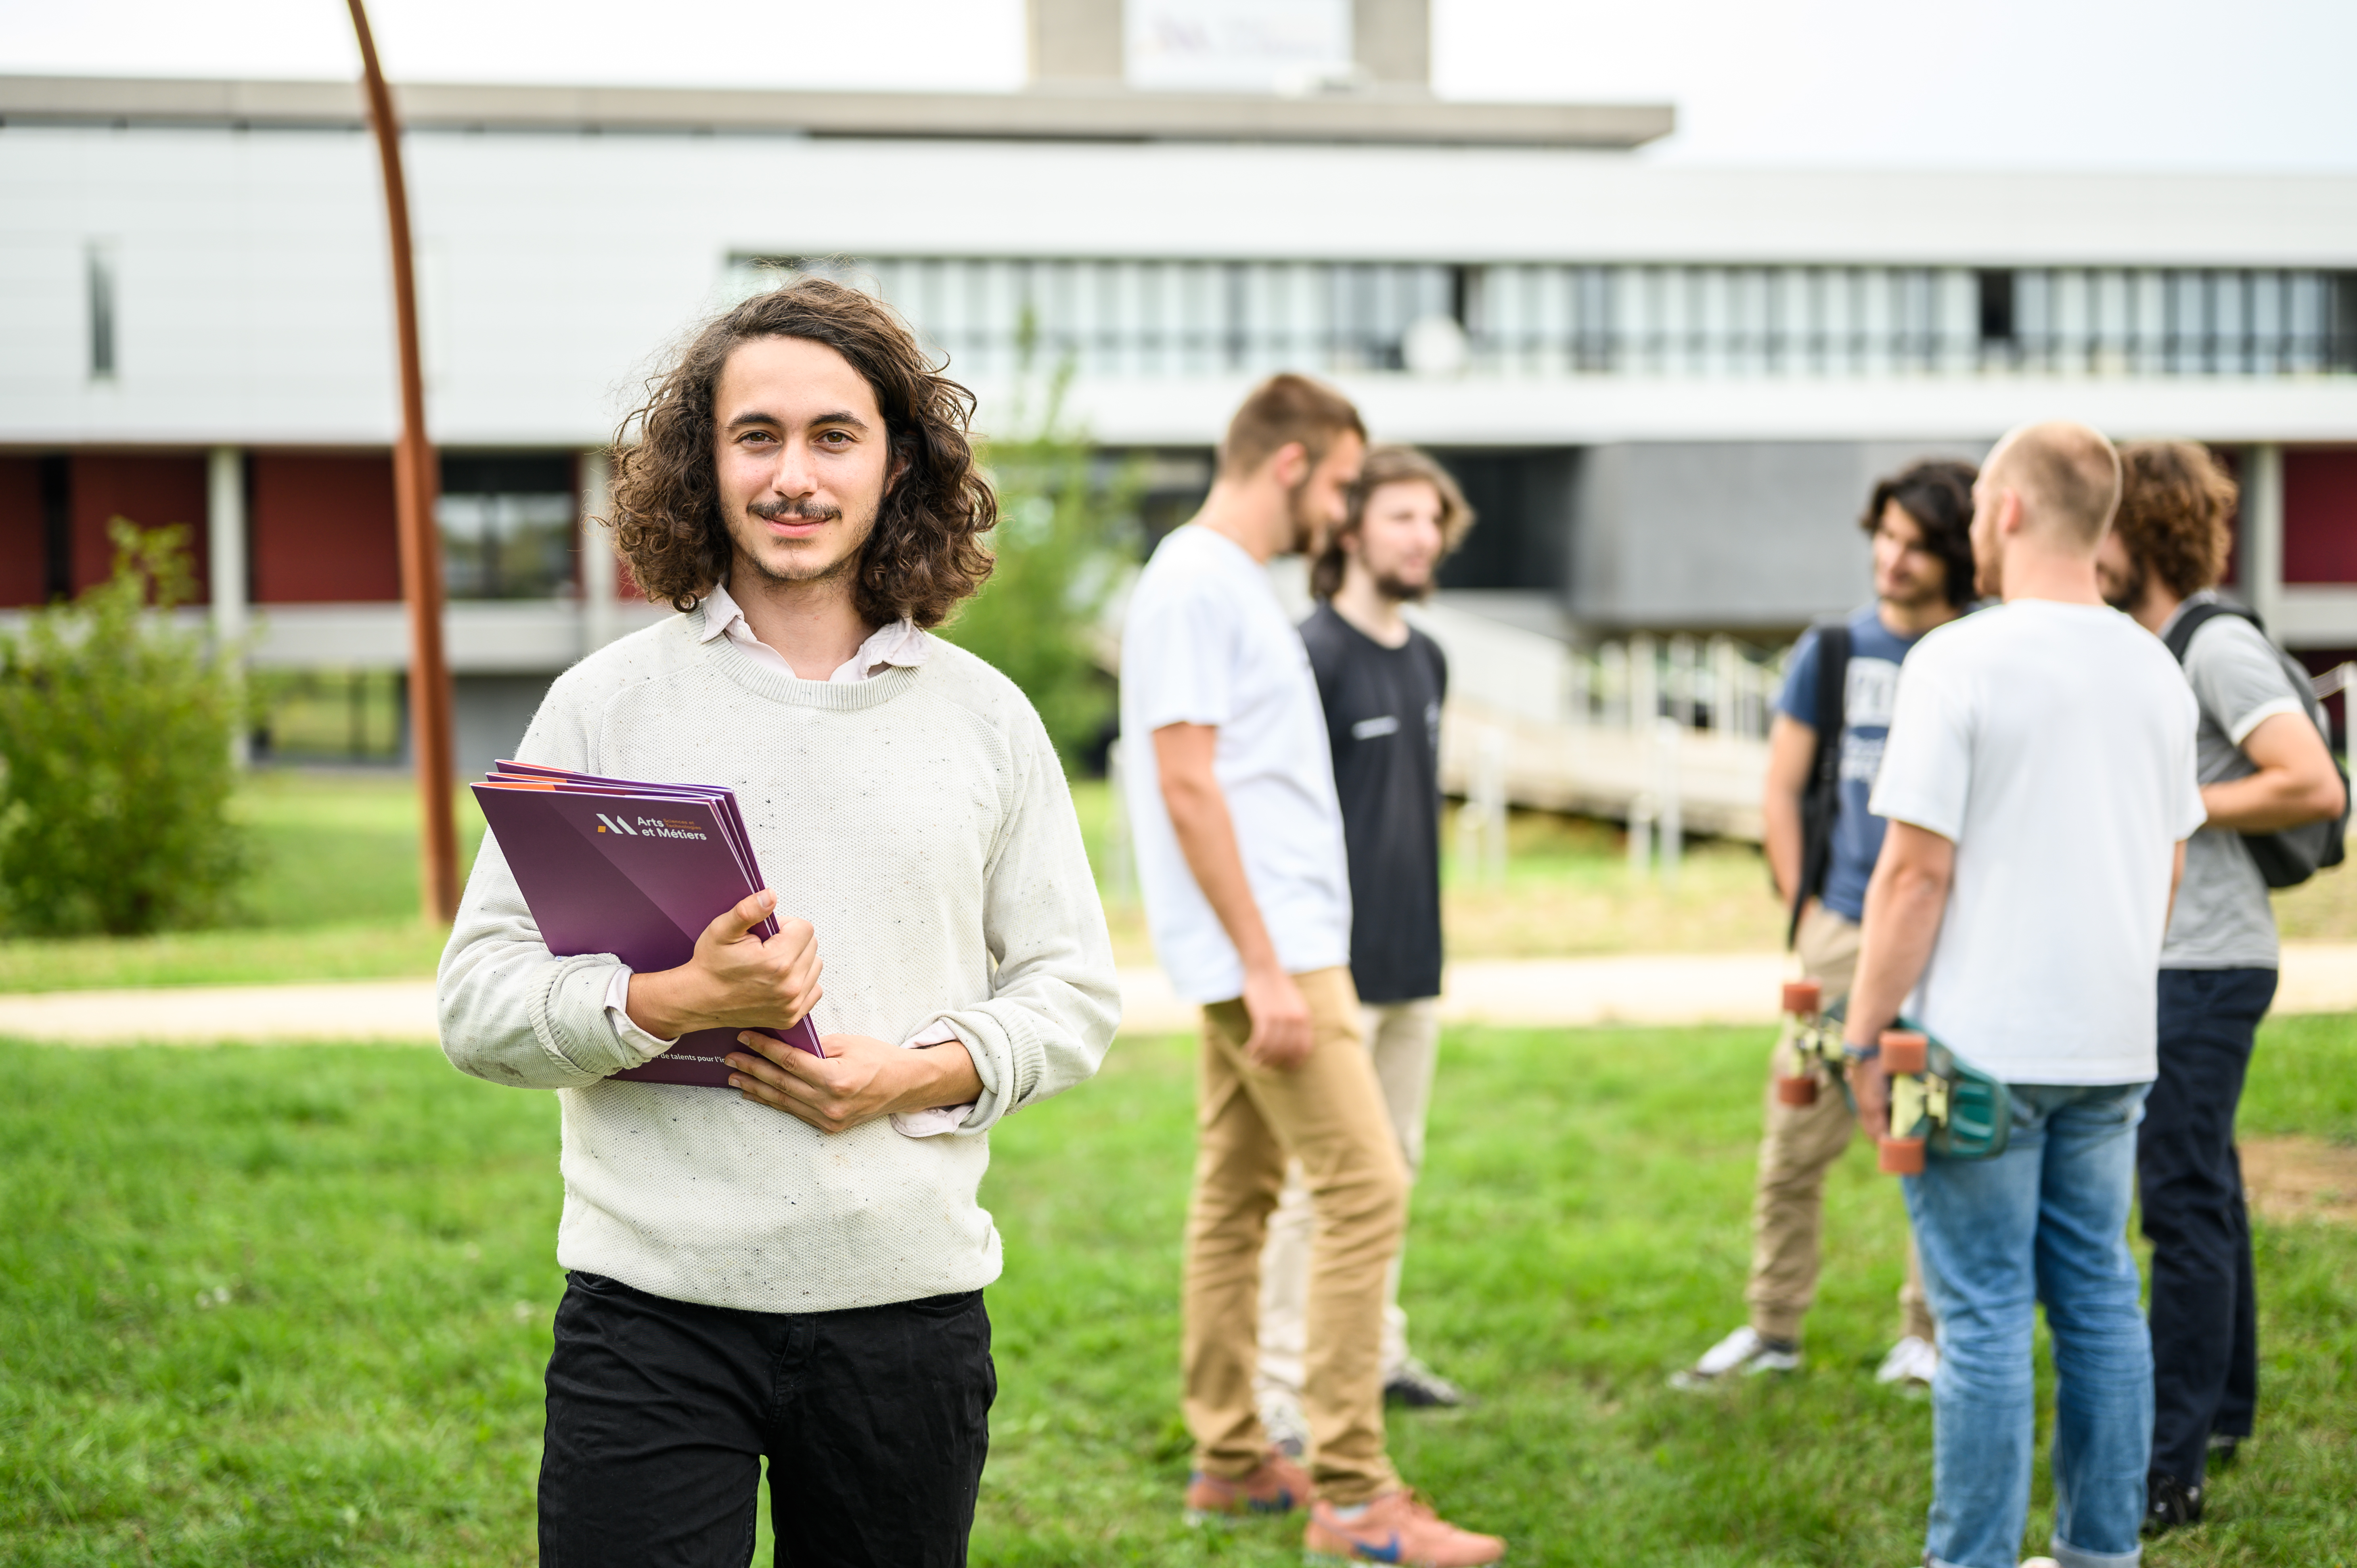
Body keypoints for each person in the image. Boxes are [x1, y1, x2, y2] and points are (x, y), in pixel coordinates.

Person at [437, 278, 1120, 1568]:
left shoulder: (986, 716)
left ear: (896, 463)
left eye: (833, 436)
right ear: (706, 460)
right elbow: (475, 1001)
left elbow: (1072, 989)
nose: (792, 476)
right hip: (651, 1317)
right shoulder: (603, 706)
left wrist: (912, 1074)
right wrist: (665, 1005)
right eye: (758, 436)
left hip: (907, 1314)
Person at [1122, 376, 1505, 1566]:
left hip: (1285, 949)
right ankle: (1354, 1495)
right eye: (1345, 484)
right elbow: (1186, 780)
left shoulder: (1232, 584)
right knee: (1366, 1187)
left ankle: (1232, 1459)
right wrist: (1265, 966)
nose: (1347, 511)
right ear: (1292, 465)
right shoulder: (1196, 580)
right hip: (1273, 960)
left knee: (1238, 1197)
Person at [1842, 420, 2205, 1568]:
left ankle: (1974, 1558)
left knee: (1986, 1314)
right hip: (2110, 1042)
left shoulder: (1958, 656)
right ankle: (2103, 1552)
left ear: (2005, 510)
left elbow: (1912, 870)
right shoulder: (2155, 663)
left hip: (1972, 1049)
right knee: (2100, 1293)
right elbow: (2172, 856)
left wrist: (1860, 1034)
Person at [1672, 458, 1975, 1394]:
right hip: (1840, 930)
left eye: (1916, 545)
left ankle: (1923, 1336)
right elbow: (1781, 787)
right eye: (1883, 537)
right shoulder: (1833, 651)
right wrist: (1802, 910)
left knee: (1923, 1143)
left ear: (1956, 554)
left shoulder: (1975, 654)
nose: (1891, 559)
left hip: (1948, 939)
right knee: (1795, 1130)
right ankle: (1772, 1329)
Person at [2094, 441, 2347, 1535]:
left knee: (2182, 1199)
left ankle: (2170, 1465)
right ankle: (2226, 1411)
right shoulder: (2161, 642)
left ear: (2139, 528)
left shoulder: (2214, 639)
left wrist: (2177, 801)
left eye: (2099, 523)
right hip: (2187, 957)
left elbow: (2312, 778)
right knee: (2211, 1185)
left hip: (2207, 962)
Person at [1253, 445, 1477, 1455]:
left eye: (1433, 520)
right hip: (1325, 963)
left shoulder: (1428, 656)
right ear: (1349, 529)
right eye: (1401, 517)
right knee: (1319, 1182)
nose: (1422, 537)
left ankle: (1374, 1353)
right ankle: (1283, 1392)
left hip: (1413, 956)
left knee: (1397, 1167)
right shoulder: (1309, 654)